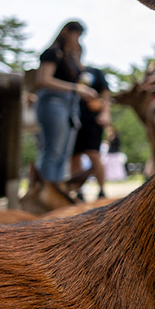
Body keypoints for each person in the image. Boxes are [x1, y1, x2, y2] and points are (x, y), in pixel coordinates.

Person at [34, 21, 96, 182]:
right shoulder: (52, 53)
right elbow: (43, 79)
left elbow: (83, 78)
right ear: (66, 32)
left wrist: (76, 58)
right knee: (52, 152)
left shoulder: (70, 57)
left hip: (70, 106)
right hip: (53, 102)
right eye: (77, 35)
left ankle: (57, 190)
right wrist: (76, 88)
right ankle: (46, 194)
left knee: (64, 154)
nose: (78, 40)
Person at [70, 65, 111, 200]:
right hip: (73, 118)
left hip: (92, 120)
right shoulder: (69, 70)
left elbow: (105, 94)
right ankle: (78, 191)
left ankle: (102, 190)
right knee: (74, 157)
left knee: (93, 154)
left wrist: (105, 113)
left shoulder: (95, 71)